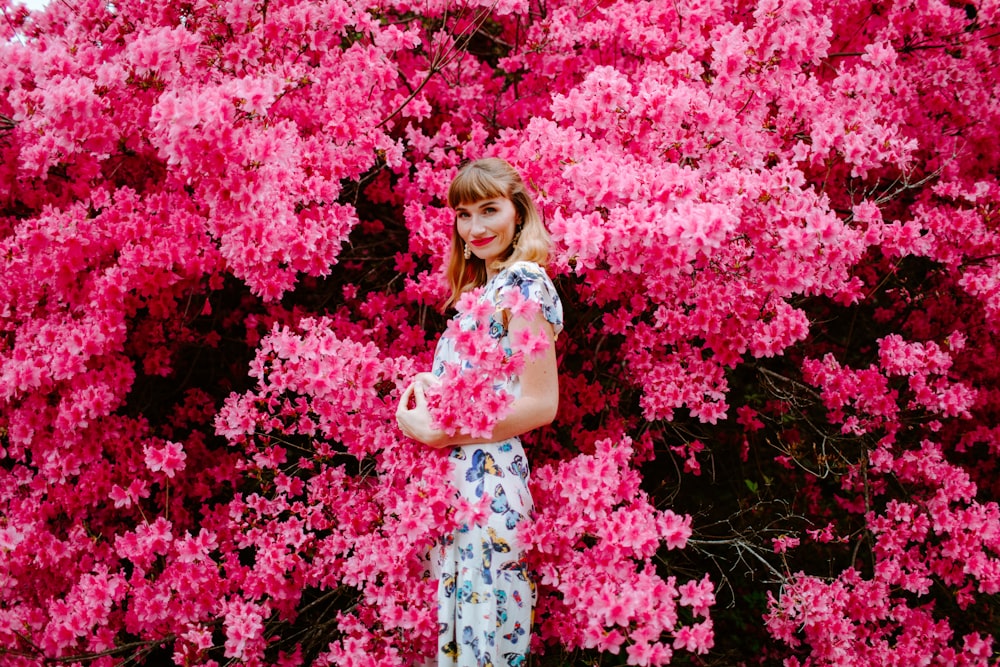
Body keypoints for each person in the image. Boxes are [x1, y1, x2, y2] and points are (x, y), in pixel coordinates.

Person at [396, 158, 563, 667]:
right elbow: (487, 385)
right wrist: (429, 385)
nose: (477, 227)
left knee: (482, 638)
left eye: (489, 209)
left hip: (488, 488)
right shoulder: (484, 291)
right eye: (464, 215)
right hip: (461, 487)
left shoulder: (524, 284)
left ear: (518, 213)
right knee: (463, 635)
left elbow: (540, 403)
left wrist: (443, 434)